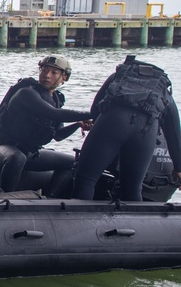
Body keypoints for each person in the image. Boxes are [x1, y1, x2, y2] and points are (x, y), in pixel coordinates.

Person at [73, 55, 181, 200]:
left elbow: (95, 109)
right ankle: (136, 222)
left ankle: (81, 220)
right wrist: (179, 168)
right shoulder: (162, 90)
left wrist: (96, 124)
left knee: (86, 179)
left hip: (112, 123)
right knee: (132, 188)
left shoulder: (117, 77)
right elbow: (174, 132)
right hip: (145, 132)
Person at [0, 55, 91, 196]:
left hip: (31, 153)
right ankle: (6, 198)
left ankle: (50, 199)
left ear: (64, 78)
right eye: (44, 70)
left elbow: (58, 135)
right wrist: (92, 113)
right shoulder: (26, 92)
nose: (46, 75)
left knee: (73, 163)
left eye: (54, 72)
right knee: (17, 158)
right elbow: (54, 114)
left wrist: (78, 124)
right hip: (3, 148)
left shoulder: (55, 99)